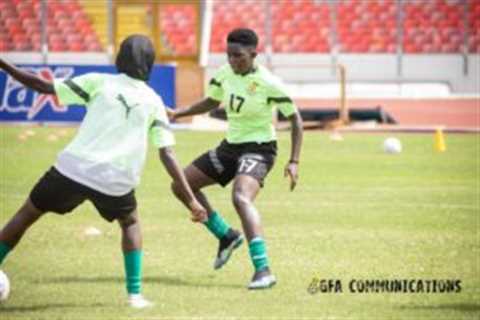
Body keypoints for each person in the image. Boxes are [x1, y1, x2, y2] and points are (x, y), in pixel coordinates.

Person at [0, 35, 207, 308]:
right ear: (150, 64)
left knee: (27, 214)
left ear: (120, 58)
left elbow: (42, 85)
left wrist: (5, 65)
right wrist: (191, 200)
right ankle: (135, 297)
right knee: (130, 223)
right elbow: (167, 153)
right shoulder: (153, 101)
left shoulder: (99, 81)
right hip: (116, 180)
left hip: (73, 168)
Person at [170, 28, 303, 289]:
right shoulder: (224, 75)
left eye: (239, 56)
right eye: (229, 55)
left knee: (240, 197)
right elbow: (212, 102)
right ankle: (226, 235)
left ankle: (263, 270)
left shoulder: (269, 83)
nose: (232, 61)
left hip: (260, 149)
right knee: (181, 184)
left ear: (254, 54)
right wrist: (179, 113)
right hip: (229, 147)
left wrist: (294, 161)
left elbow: (295, 120)